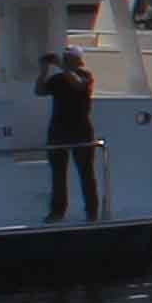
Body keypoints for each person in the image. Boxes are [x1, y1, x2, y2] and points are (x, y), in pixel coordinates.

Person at [35, 42, 103, 222]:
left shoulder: (85, 76)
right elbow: (39, 91)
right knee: (58, 174)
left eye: (68, 58)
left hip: (81, 131)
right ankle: (57, 211)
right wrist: (43, 71)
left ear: (77, 61)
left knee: (86, 173)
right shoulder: (57, 79)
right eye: (64, 58)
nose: (65, 60)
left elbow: (78, 85)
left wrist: (60, 66)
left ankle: (92, 211)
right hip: (58, 130)